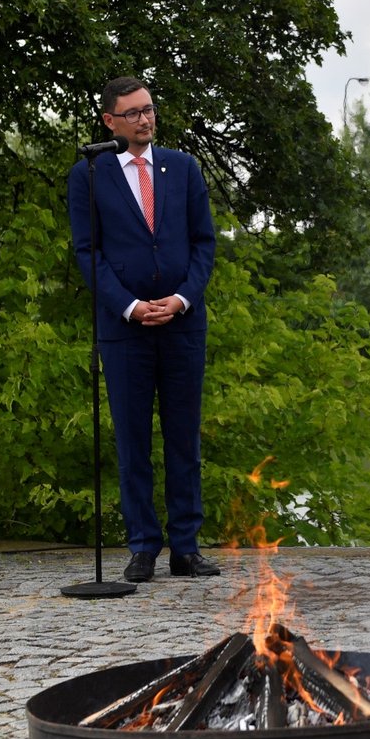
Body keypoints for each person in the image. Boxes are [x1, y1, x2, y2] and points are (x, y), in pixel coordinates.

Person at [67, 76, 219, 583]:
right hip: (125, 330)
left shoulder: (184, 168)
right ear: (110, 121)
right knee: (133, 441)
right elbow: (88, 252)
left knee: (182, 439)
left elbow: (203, 243)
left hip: (181, 325)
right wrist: (130, 306)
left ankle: (186, 547)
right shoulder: (88, 175)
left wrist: (180, 299)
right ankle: (142, 547)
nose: (145, 119)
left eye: (149, 109)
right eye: (132, 113)